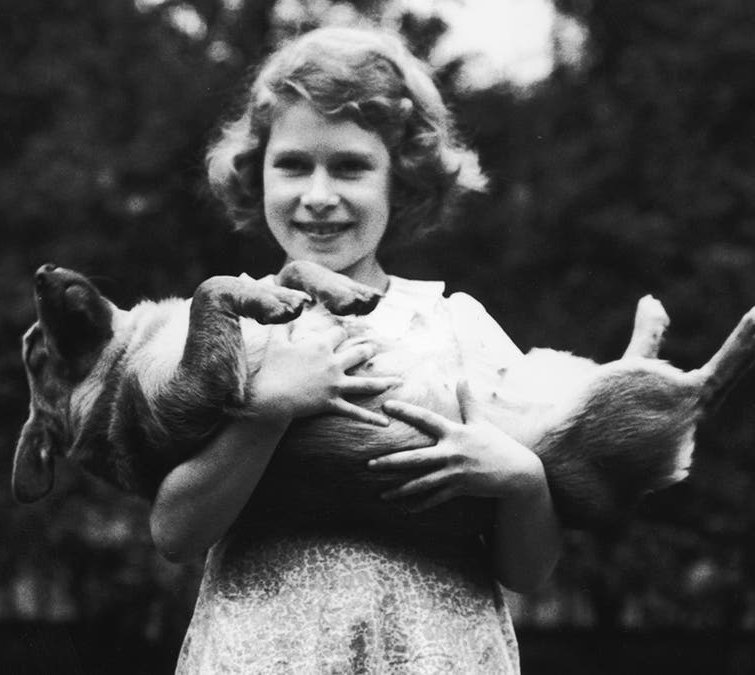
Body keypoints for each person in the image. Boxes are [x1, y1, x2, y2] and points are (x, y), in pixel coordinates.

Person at [149, 26, 560, 674]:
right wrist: (268, 410)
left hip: (433, 651)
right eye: (292, 164)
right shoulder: (230, 329)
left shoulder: (456, 328)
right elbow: (175, 532)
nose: (317, 195)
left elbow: (528, 570)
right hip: (268, 651)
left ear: (404, 179)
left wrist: (522, 479)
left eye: (349, 166)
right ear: (256, 173)